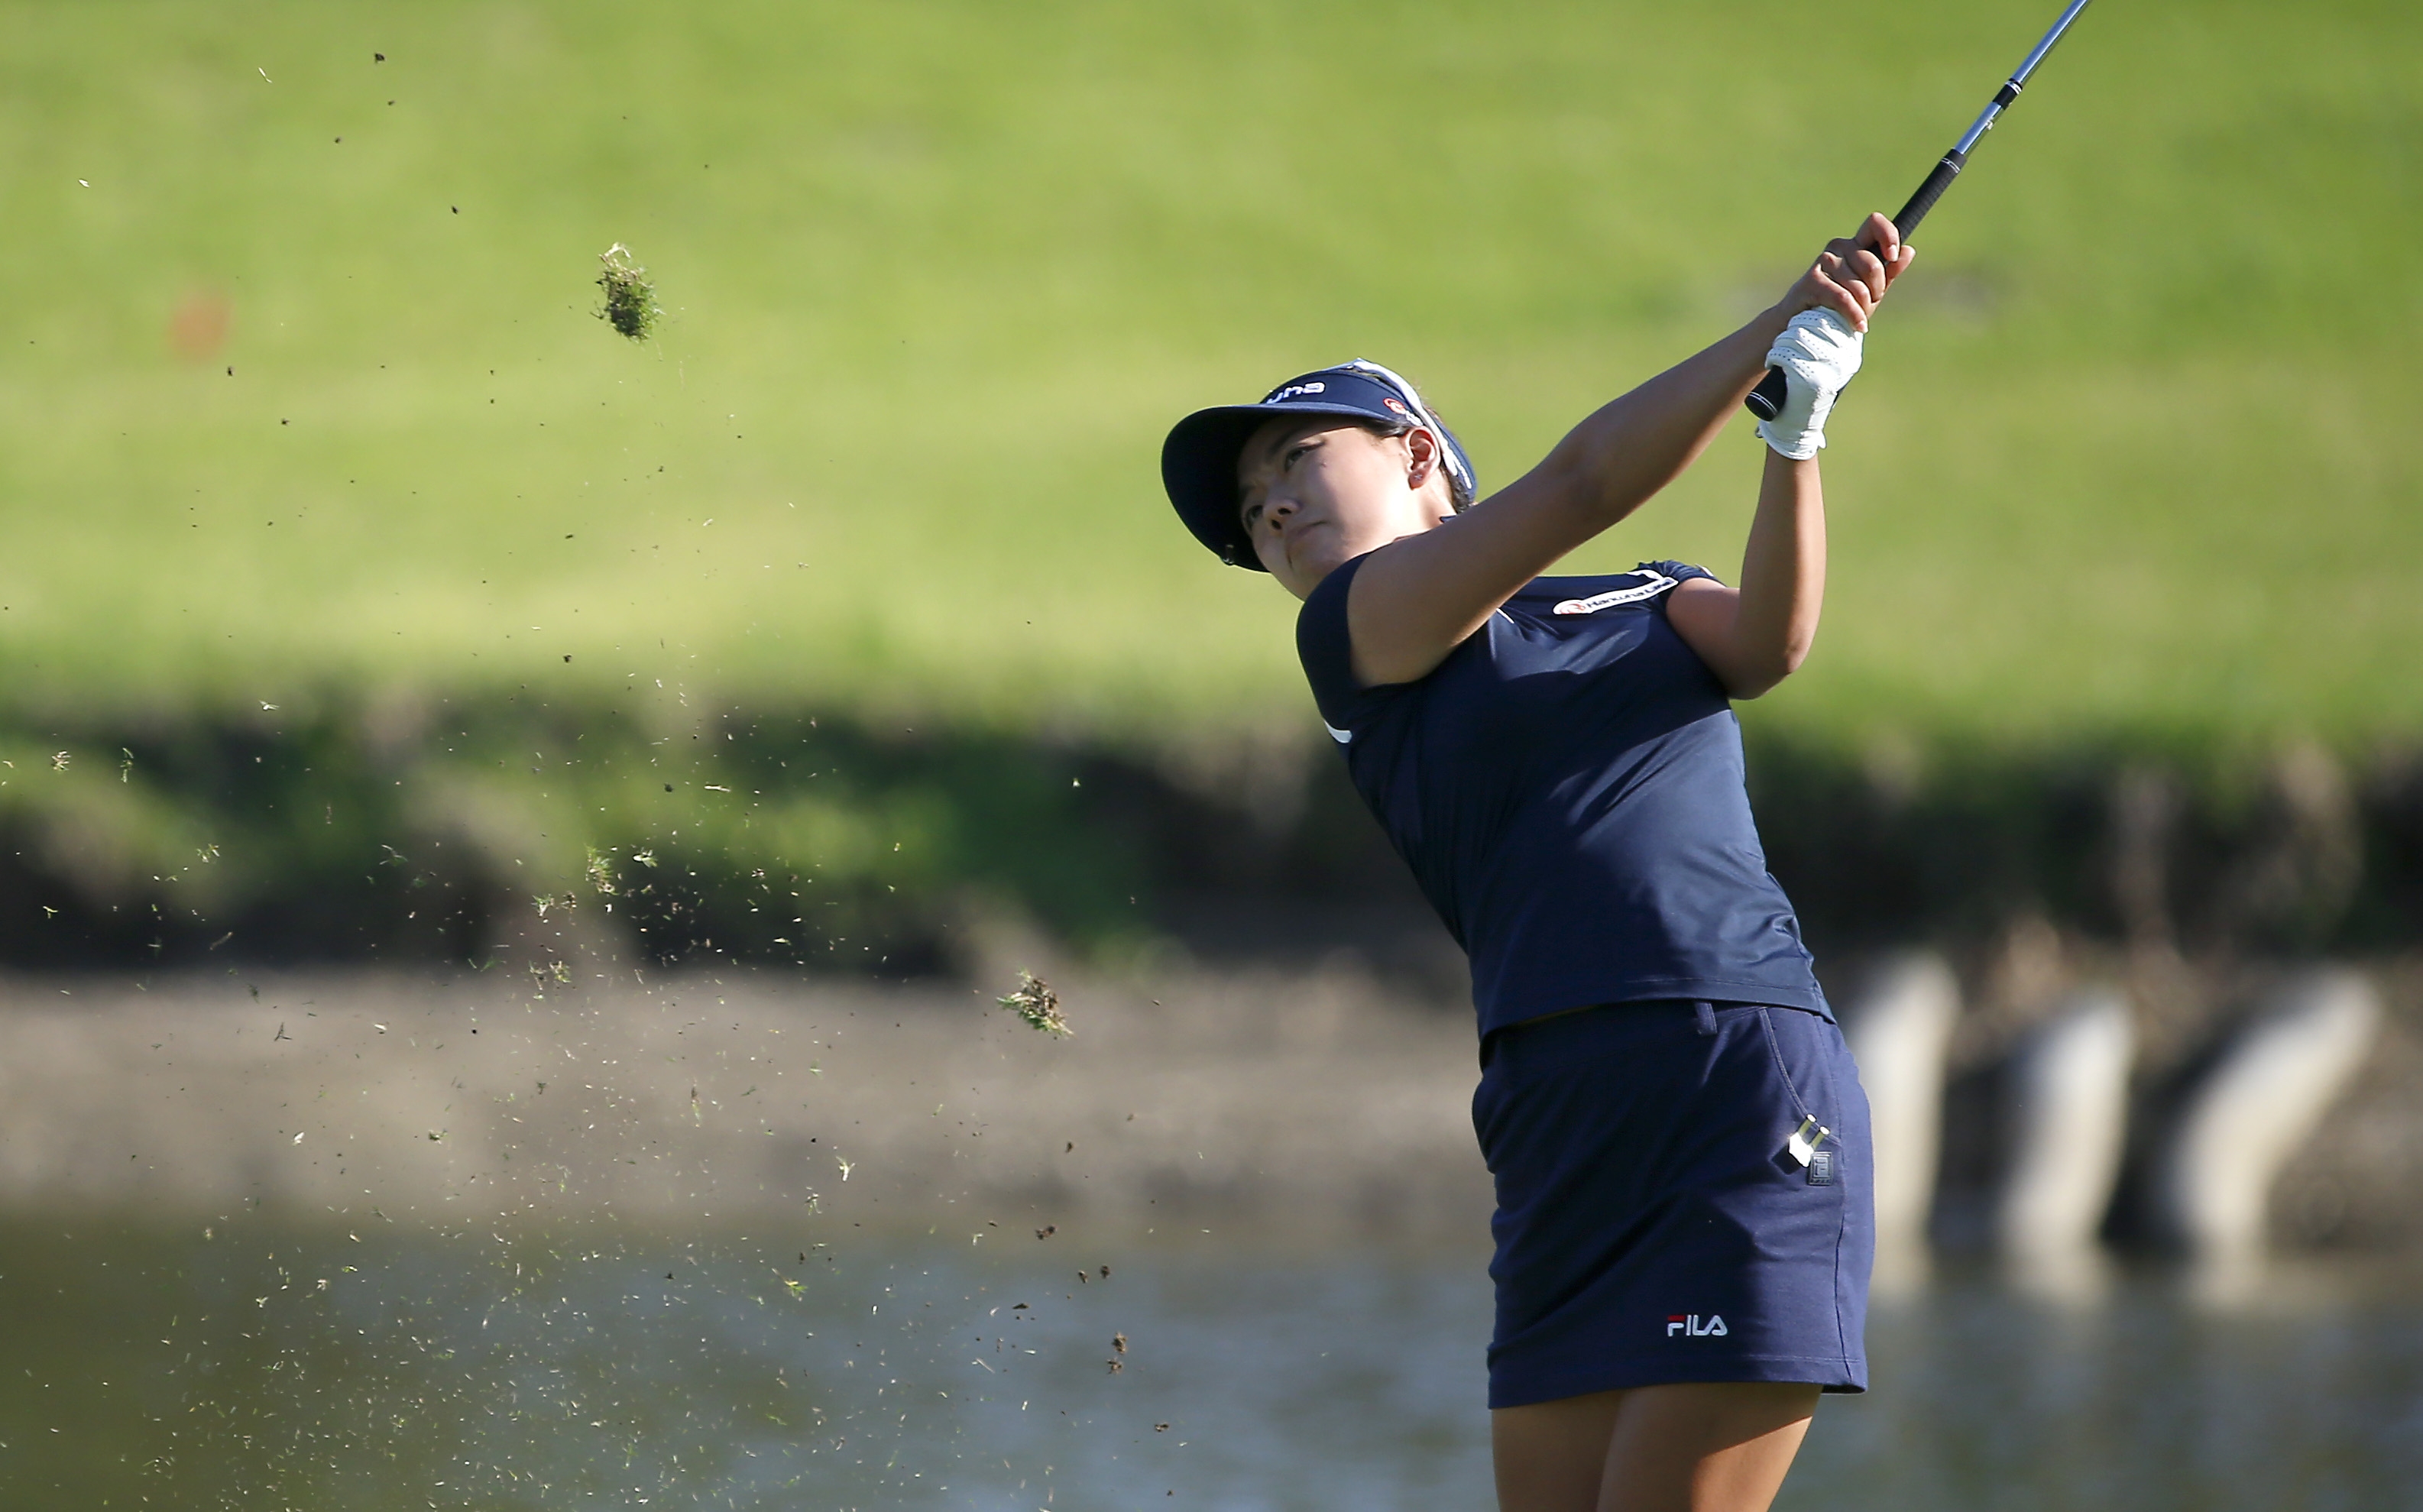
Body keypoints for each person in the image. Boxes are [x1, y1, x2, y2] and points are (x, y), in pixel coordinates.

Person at [1158, 214, 1914, 1512]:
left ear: (1413, 453)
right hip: (1553, 1121)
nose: (1269, 503)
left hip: (1724, 1072)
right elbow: (1575, 483)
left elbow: (1769, 645)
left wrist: (1793, 436)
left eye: (1294, 459)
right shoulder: (1359, 640)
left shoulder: (1637, 602)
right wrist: (1771, 327)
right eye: (1249, 507)